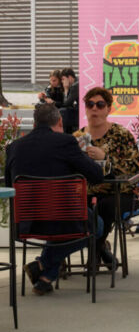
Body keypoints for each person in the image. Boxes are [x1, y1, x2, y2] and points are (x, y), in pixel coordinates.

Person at [4, 103, 105, 294]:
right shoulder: (66, 142)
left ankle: (45, 278)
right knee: (96, 225)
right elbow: (96, 176)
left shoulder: (14, 147)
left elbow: (10, 185)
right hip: (64, 220)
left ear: (34, 123)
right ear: (59, 121)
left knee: (69, 222)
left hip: (28, 222)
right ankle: (42, 264)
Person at [76, 87, 139, 268]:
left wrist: (105, 159)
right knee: (75, 207)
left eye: (100, 104)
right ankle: (101, 248)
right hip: (87, 193)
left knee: (103, 207)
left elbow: (134, 168)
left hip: (120, 193)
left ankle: (94, 254)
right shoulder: (78, 138)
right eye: (90, 105)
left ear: (108, 109)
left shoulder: (122, 135)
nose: (94, 109)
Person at [59, 68, 79, 133]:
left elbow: (66, 103)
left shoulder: (75, 86)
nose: (62, 81)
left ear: (69, 77)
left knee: (62, 111)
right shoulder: (77, 81)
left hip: (80, 113)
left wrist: (66, 89)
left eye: (63, 79)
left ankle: (62, 134)